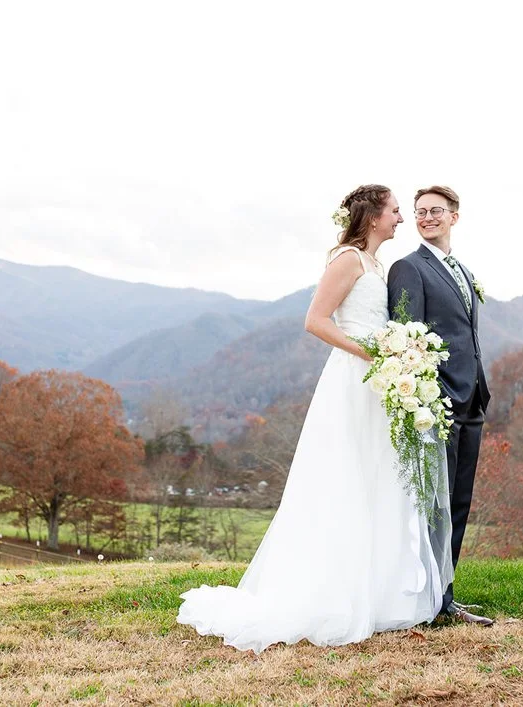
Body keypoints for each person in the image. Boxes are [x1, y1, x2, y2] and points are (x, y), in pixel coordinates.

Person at [176, 184, 453, 653]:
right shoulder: (346, 259)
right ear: (372, 216)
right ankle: (328, 593)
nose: (401, 218)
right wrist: (371, 351)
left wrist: (395, 354)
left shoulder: (377, 263)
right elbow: (316, 320)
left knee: (379, 480)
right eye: (395, 211)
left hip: (379, 382)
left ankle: (381, 593)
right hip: (352, 380)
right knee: (344, 479)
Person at [387, 185, 494, 627]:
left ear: (455, 216)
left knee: (460, 501)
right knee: (434, 506)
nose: (426, 217)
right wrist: (424, 398)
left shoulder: (462, 271)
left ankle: (446, 597)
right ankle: (425, 600)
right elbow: (404, 337)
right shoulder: (408, 268)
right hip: (437, 404)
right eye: (418, 212)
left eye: (435, 211)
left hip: (473, 399)